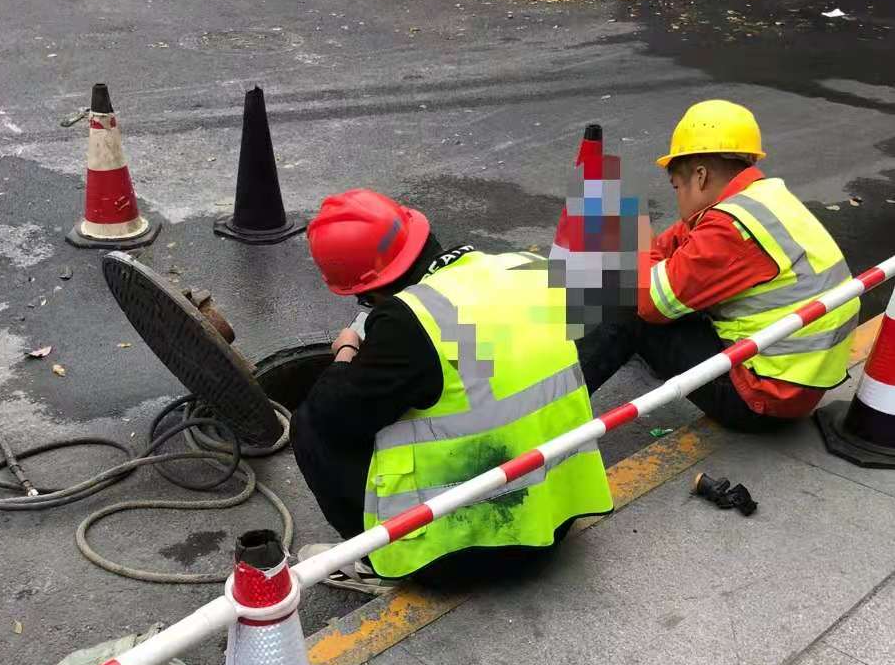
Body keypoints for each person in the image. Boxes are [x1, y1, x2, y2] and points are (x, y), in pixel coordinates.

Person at [291, 189, 612, 586]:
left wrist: (346, 349)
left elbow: (333, 414)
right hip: (554, 518)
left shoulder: (409, 321)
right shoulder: (527, 267)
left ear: (369, 288)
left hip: (465, 551)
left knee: (308, 423)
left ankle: (374, 560)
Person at [575, 100, 859, 431]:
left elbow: (650, 303)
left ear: (700, 175)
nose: (677, 197)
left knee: (631, 306)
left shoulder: (730, 228)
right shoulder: (760, 201)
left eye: (676, 187)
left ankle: (547, 410)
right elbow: (678, 247)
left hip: (761, 397)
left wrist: (637, 241)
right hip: (796, 381)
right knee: (665, 286)